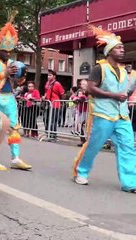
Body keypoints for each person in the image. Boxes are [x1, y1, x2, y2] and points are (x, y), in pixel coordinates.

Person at [72, 27, 136, 193]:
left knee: (128, 147)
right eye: (118, 48)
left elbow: (125, 92)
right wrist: (113, 95)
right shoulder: (99, 68)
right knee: (95, 145)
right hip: (103, 114)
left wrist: (126, 93)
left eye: (122, 47)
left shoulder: (124, 71)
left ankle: (130, 183)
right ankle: (81, 172)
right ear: (109, 51)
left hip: (122, 116)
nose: (122, 50)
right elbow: (91, 89)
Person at [0, 21, 32, 171]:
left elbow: (17, 82)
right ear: (0, 48)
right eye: (6, 51)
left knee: (14, 127)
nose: (8, 54)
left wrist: (21, 77)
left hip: (9, 97)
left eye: (10, 51)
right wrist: (4, 73)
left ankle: (15, 158)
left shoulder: (13, 62)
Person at [42, 69, 65, 142]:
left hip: (55, 105)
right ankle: (48, 134)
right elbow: (46, 91)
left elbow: (62, 94)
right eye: (48, 75)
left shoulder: (57, 84)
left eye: (50, 75)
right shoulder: (47, 83)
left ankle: (53, 135)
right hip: (49, 104)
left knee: (53, 121)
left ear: (54, 76)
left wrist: (61, 102)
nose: (48, 77)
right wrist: (44, 97)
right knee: (46, 119)